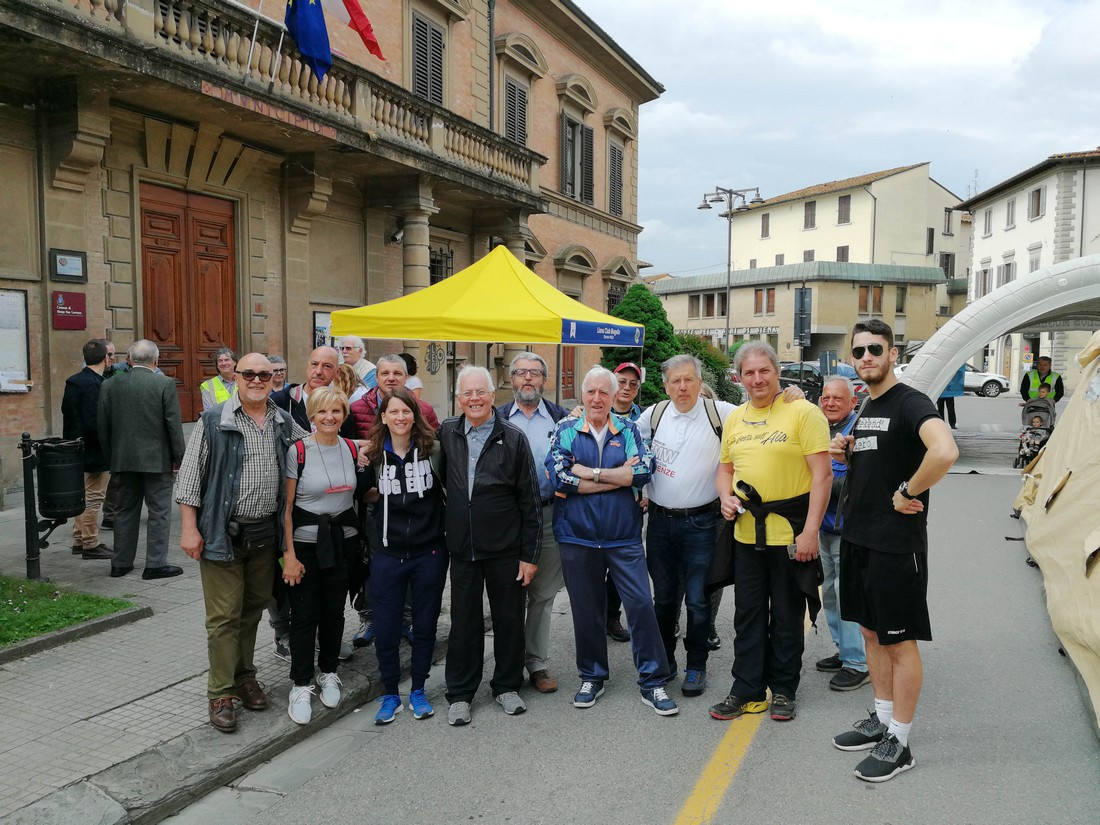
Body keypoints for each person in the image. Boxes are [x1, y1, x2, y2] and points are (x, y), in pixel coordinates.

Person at [830, 319, 957, 782]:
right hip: (859, 537)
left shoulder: (910, 401)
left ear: (892, 353)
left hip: (895, 546)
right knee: (870, 633)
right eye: (859, 351)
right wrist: (847, 450)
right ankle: (882, 720)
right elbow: (882, 458)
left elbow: (944, 451)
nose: (866, 357)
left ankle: (900, 742)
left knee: (899, 642)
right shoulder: (867, 404)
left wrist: (908, 491)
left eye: (875, 349)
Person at [176, 353, 309, 733]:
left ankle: (244, 676)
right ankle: (220, 692)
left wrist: (361, 447)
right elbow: (189, 478)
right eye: (249, 373)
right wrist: (189, 528)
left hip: (265, 536)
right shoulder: (214, 420)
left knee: (251, 611)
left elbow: (315, 445)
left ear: (273, 378)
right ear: (235, 376)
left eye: (264, 374)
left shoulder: (282, 421)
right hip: (222, 534)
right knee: (223, 618)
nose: (256, 380)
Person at [708, 341, 831, 724]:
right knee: (747, 615)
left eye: (764, 371)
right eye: (749, 372)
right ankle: (746, 689)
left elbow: (823, 476)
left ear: (777, 373)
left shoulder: (803, 412)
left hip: (790, 536)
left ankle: (783, 689)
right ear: (739, 377)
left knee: (787, 616)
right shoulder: (735, 418)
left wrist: (810, 532)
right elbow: (725, 469)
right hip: (746, 535)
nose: (757, 378)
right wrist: (725, 497)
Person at [548, 366, 678, 716]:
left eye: (603, 392)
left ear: (612, 396)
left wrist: (590, 473)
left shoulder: (630, 429)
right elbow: (559, 477)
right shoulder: (566, 429)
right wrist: (618, 477)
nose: (597, 399)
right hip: (577, 537)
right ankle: (592, 676)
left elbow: (644, 470)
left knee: (641, 605)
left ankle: (652, 681)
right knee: (586, 610)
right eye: (591, 392)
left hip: (623, 537)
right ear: (582, 394)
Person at [438, 365, 541, 726]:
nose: (474, 399)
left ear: (493, 396)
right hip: (462, 548)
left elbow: (530, 501)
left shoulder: (513, 438)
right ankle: (460, 693)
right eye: (467, 393)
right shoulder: (447, 432)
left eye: (480, 392)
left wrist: (529, 556)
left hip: (505, 548)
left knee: (508, 620)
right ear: (458, 398)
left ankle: (507, 686)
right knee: (463, 623)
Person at [636, 355, 738, 698]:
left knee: (698, 599)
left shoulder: (719, 413)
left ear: (699, 382)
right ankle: (665, 661)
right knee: (664, 599)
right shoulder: (653, 415)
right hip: (660, 523)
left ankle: (696, 665)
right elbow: (620, 436)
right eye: (676, 381)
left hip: (703, 524)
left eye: (689, 380)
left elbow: (760, 412)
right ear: (665, 385)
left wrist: (789, 395)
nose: (682, 387)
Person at [282, 387, 367, 725]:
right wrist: (288, 555)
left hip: (343, 543)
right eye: (322, 412)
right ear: (312, 416)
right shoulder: (298, 451)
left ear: (344, 415)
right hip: (305, 546)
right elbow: (286, 508)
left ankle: (328, 671)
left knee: (334, 611)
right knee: (304, 614)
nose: (329, 417)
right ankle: (300, 683)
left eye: (336, 411)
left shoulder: (351, 448)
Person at [364, 388, 448, 724]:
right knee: (386, 628)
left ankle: (418, 690)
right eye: (394, 412)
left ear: (415, 415)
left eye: (406, 411)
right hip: (388, 554)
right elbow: (363, 493)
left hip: (430, 553)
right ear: (383, 417)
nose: (400, 417)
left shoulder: (434, 451)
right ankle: (390, 694)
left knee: (425, 625)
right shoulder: (373, 455)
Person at [498, 351, 571, 694]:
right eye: (521, 372)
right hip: (508, 518)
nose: (528, 378)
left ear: (544, 379)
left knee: (542, 594)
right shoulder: (496, 418)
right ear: (511, 379)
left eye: (535, 373)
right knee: (509, 593)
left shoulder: (561, 419)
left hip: (549, 514)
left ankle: (537, 664)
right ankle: (509, 666)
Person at [98, 339, 186, 580]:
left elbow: (103, 426)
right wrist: (180, 458)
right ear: (156, 360)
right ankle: (155, 564)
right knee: (159, 511)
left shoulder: (109, 385)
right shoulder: (164, 383)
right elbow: (173, 425)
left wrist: (112, 457)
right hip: (157, 461)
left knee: (124, 510)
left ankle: (121, 563)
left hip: (123, 460)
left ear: (129, 359)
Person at [814, 376, 870, 691]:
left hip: (848, 531)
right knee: (831, 594)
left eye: (838, 398)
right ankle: (844, 649)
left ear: (852, 402)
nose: (831, 403)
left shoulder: (857, 433)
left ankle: (857, 662)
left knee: (847, 595)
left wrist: (820, 486)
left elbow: (859, 482)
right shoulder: (819, 428)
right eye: (826, 397)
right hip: (824, 528)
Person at [61, 338, 113, 560]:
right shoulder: (96, 384)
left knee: (81, 496)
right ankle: (91, 544)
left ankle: (79, 539)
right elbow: (95, 422)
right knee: (93, 498)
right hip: (94, 450)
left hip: (75, 447)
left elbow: (66, 412)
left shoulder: (74, 381)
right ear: (106, 358)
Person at [604, 361, 644, 643]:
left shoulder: (644, 419)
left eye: (633, 384)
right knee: (593, 565)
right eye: (622, 382)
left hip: (630, 505)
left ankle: (611, 616)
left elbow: (645, 465)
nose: (627, 388)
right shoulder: (592, 413)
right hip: (596, 502)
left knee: (620, 567)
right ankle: (594, 617)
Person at [350, 354, 440, 435]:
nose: (391, 378)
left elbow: (434, 443)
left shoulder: (425, 410)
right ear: (376, 377)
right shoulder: (355, 410)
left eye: (397, 373)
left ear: (406, 378)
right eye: (385, 373)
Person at [272, 346, 339, 431]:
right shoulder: (280, 401)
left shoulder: (340, 404)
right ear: (307, 367)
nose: (318, 371)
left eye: (327, 366)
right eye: (314, 364)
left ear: (337, 372)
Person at [936, 364, 964, 429]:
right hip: (940, 393)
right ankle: (941, 423)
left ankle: (952, 424)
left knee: (951, 408)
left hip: (949, 393)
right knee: (940, 409)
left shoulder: (951, 370)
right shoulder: (939, 371)